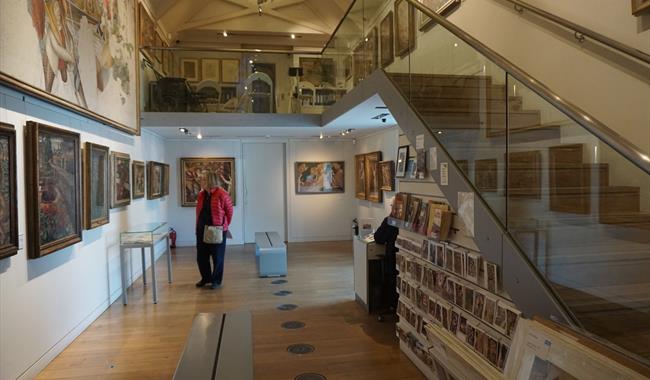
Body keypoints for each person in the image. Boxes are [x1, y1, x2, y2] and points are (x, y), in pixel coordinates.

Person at [195, 172, 233, 289]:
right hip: (201, 229)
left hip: (217, 230)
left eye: (204, 179)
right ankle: (206, 278)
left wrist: (223, 226)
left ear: (210, 181)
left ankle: (216, 280)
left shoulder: (222, 194)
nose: (201, 180)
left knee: (217, 257)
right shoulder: (201, 195)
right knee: (201, 257)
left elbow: (229, 212)